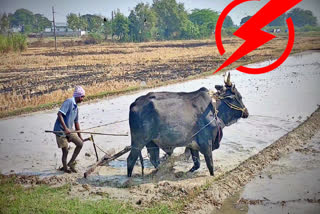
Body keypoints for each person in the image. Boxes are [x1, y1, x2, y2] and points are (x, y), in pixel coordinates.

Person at [53, 86, 85, 173]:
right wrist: (65, 128)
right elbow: (59, 114)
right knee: (65, 151)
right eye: (82, 97)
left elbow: (76, 122)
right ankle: (65, 168)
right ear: (78, 96)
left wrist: (80, 136)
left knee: (80, 143)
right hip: (60, 130)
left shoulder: (76, 108)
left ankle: (70, 163)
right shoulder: (69, 102)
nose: (83, 99)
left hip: (69, 130)